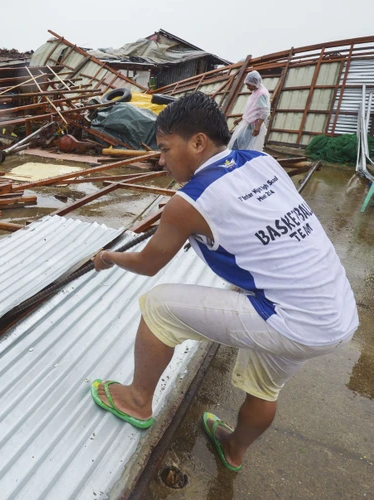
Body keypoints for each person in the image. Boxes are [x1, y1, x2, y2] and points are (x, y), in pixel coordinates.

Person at [90, 92, 358, 471]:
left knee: (158, 306)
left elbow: (149, 263)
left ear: (198, 142)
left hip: (292, 318)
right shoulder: (262, 161)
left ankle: (136, 400)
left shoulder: (189, 202)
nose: (161, 160)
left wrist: (109, 257)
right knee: (265, 385)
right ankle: (233, 450)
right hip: (338, 313)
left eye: (165, 149)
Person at [229, 70, 271, 151]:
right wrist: (241, 118)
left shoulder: (261, 93)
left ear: (254, 83)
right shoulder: (256, 91)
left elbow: (265, 111)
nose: (247, 87)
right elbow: (251, 108)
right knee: (240, 144)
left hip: (252, 125)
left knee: (240, 145)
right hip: (248, 122)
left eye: (248, 85)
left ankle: (236, 161)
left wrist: (257, 126)